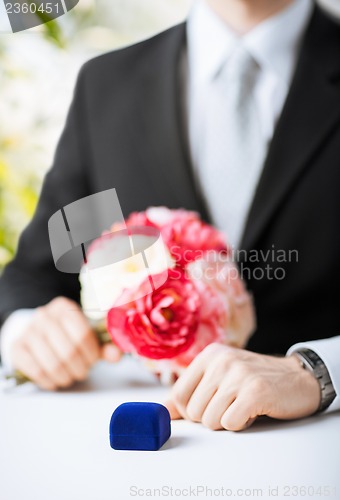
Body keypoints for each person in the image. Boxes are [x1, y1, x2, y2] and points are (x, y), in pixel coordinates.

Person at [0, 0, 339, 431]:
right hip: (138, 442)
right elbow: (32, 276)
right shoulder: (105, 85)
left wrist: (319, 370)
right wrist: (28, 331)